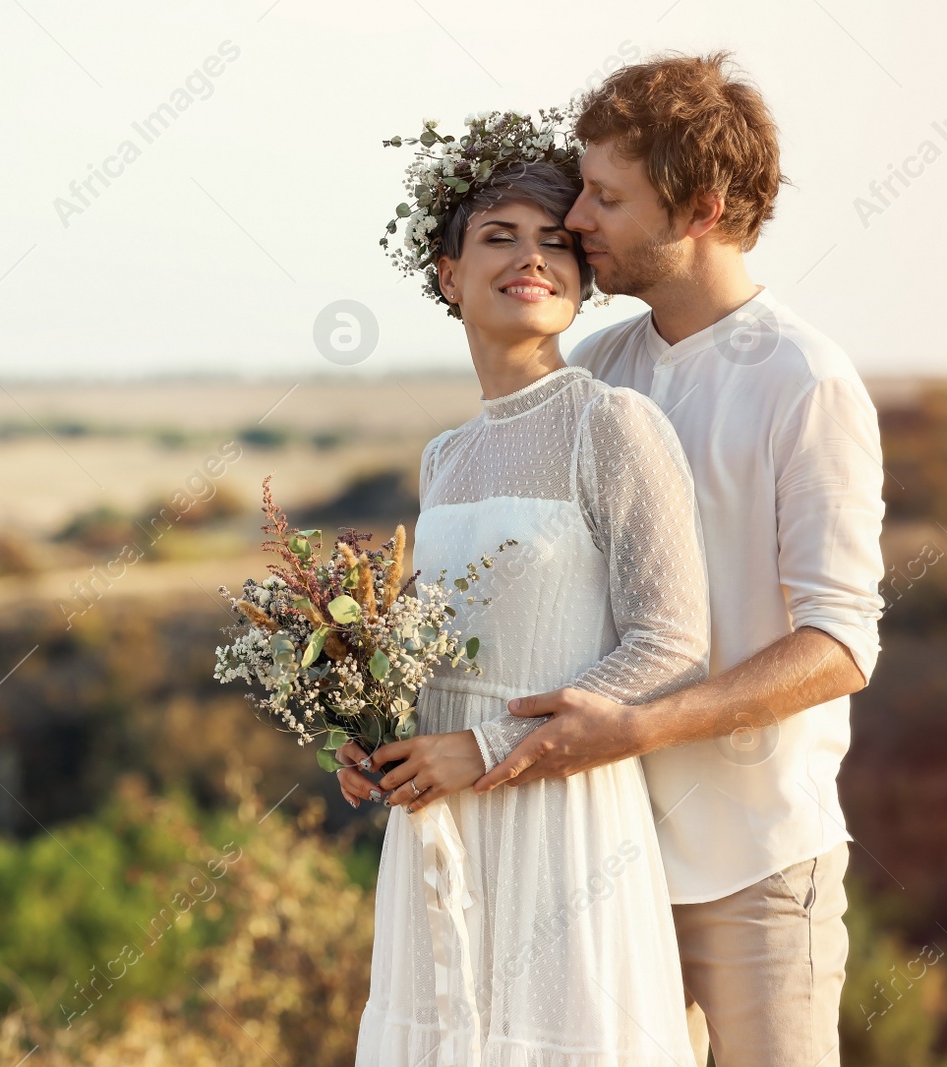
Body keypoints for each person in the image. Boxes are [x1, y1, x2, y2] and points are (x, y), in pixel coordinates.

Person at [467, 55, 886, 1067]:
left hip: (755, 860)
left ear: (697, 209)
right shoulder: (602, 367)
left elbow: (838, 644)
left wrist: (639, 724)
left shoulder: (806, 381)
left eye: (608, 198)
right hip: (600, 851)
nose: (577, 221)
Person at [337, 111, 709, 1065]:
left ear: (582, 284)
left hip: (562, 821)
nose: (531, 258)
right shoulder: (446, 456)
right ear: (447, 273)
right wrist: (378, 737)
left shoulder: (612, 425)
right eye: (499, 236)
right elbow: (444, 639)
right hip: (438, 820)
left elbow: (671, 641)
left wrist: (491, 747)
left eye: (556, 242)